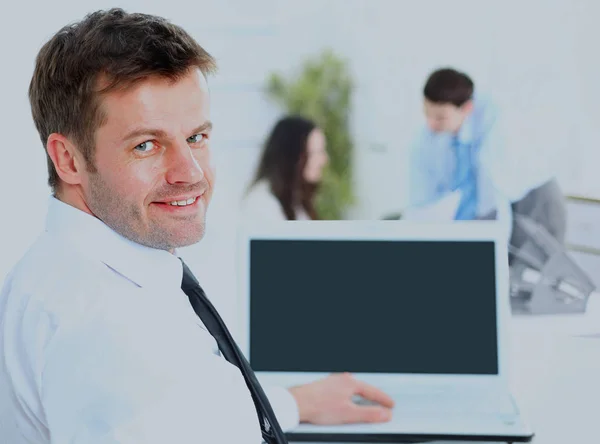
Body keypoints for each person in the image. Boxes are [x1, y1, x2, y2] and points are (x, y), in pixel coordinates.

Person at [0, 9, 394, 444]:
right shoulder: (111, 332)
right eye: (146, 145)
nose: (190, 173)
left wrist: (291, 403)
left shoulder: (67, 274)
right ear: (69, 160)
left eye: (196, 137)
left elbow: (183, 413)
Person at [408, 67, 566, 249]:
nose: (431, 124)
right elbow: (423, 198)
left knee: (527, 270)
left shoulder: (495, 125)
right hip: (493, 201)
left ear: (467, 109)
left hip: (533, 198)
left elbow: (492, 199)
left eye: (440, 118)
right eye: (426, 113)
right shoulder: (432, 135)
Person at [241, 116, 328, 221]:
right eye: (317, 152)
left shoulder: (297, 204)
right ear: (295, 157)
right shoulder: (263, 204)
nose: (324, 160)